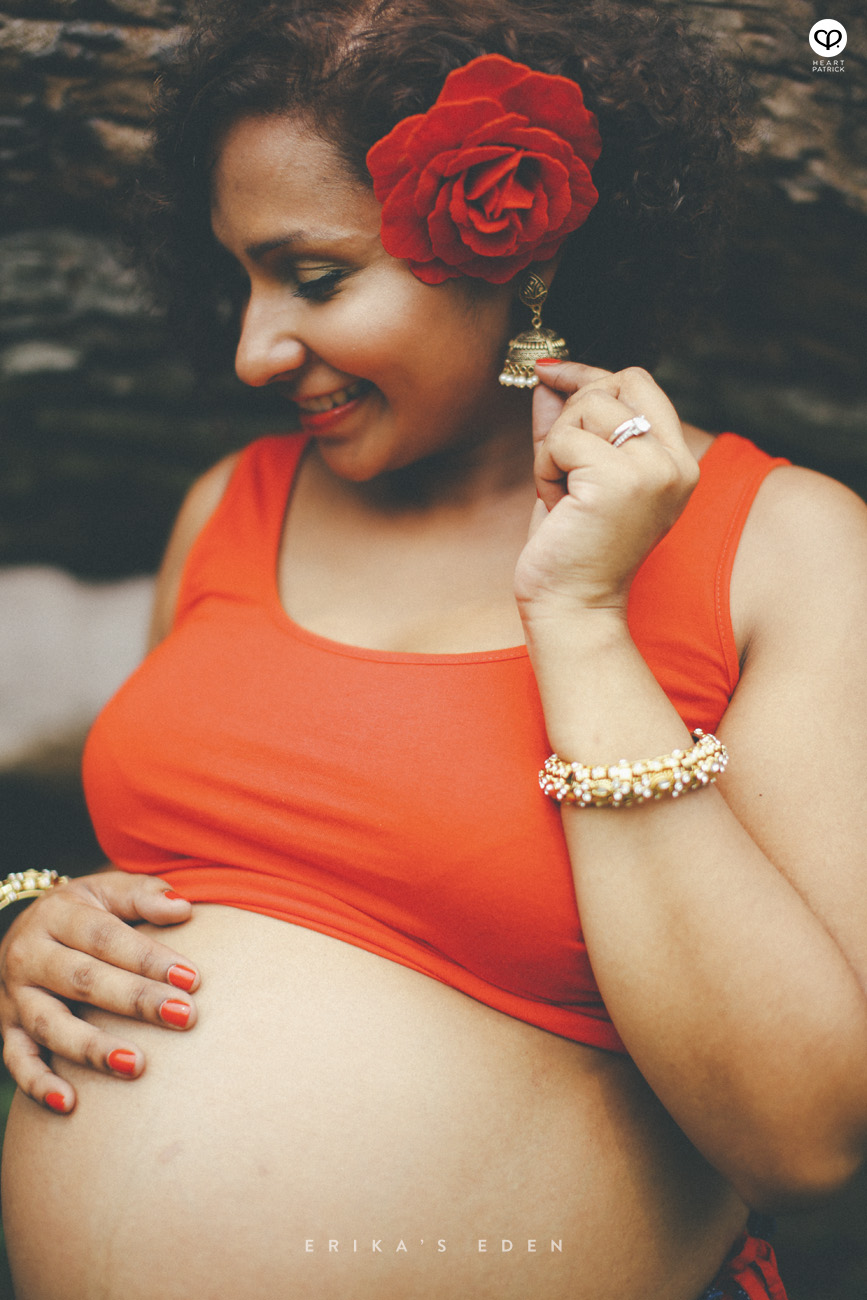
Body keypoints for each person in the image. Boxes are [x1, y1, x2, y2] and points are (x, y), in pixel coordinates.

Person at [2, 1, 867, 1296]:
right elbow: (177, 882)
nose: (252, 351)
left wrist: (582, 622)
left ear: (521, 251)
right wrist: (37, 928)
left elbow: (804, 1140)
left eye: (314, 277)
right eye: (239, 277)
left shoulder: (786, 548)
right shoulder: (231, 505)